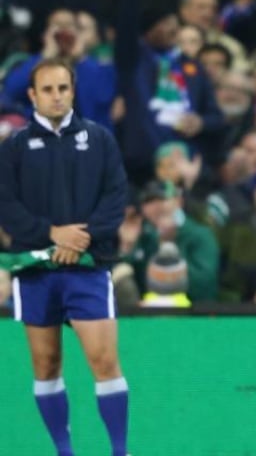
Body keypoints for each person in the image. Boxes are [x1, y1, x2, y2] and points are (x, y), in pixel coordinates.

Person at [0, 58, 129, 456]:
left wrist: (79, 241)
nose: (57, 96)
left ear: (72, 92)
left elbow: (115, 198)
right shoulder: (14, 147)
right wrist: (53, 235)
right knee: (46, 364)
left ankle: (120, 452)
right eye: (48, 90)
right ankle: (64, 452)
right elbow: (7, 206)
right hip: (35, 270)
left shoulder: (100, 138)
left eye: (63, 89)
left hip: (88, 268)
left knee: (104, 361)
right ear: (32, 95)